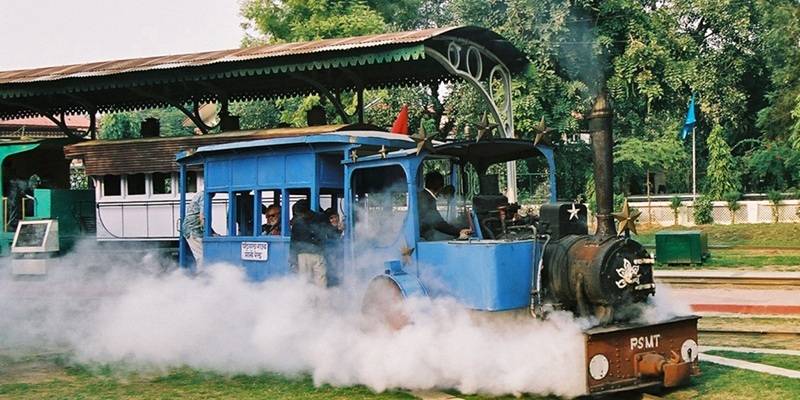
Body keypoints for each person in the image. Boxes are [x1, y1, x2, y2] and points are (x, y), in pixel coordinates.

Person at [290, 200, 334, 287]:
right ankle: (320, 295)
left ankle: (313, 295)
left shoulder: (298, 222)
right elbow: (331, 232)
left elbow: (293, 242)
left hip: (306, 254)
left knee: (306, 281)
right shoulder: (321, 217)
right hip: (314, 253)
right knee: (319, 280)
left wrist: (293, 260)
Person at [418, 171, 471, 241]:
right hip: (424, 237)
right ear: (440, 187)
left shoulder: (423, 195)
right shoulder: (426, 199)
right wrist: (459, 232)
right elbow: (438, 223)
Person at [183, 190, 207, 269]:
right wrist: (208, 231)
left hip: (191, 228)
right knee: (202, 256)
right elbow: (202, 216)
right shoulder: (204, 196)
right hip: (193, 230)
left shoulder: (199, 195)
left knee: (201, 255)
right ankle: (201, 274)